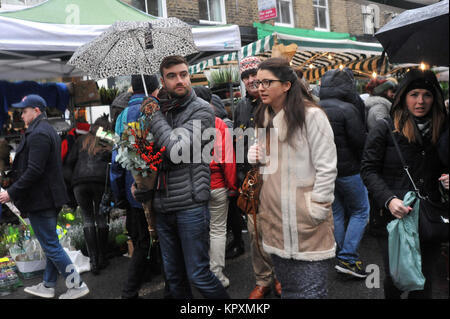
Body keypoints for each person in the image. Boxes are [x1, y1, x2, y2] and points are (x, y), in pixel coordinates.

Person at [135, 55, 229, 299]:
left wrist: (153, 116)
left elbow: (176, 149)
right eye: (172, 76)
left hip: (190, 205)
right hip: (163, 204)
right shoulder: (163, 110)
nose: (180, 80)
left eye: (184, 74)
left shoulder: (201, 110)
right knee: (174, 277)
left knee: (198, 274)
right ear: (162, 81)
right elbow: (152, 154)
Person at [248, 58, 337, 299]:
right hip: (275, 219)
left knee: (311, 293)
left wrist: (318, 206)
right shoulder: (262, 118)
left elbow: (327, 166)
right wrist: (254, 154)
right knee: (289, 290)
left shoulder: (312, 116)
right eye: (258, 82)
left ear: (287, 85)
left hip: (307, 220)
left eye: (267, 82)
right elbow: (268, 166)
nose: (261, 87)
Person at [361, 69, 449, 299]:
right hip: (393, 217)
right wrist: (389, 200)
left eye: (427, 95)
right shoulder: (385, 127)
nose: (421, 101)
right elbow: (368, 170)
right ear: (403, 97)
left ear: (435, 98)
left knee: (424, 278)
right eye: (414, 94)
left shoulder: (443, 131)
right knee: (396, 278)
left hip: (428, 216)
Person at [0, 94, 89, 299]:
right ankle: (48, 285)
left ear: (37, 111)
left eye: (24, 111)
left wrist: (10, 193)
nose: (21, 115)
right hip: (48, 197)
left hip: (42, 199)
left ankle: (77, 285)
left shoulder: (39, 133)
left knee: (50, 245)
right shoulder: (44, 130)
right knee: (52, 244)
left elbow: (34, 170)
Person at [232, 56, 281, 299]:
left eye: (254, 74)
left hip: (277, 180)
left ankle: (281, 275)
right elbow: (235, 142)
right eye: (246, 76)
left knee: (278, 230)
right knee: (254, 234)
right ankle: (263, 280)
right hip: (251, 182)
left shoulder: (276, 102)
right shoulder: (240, 107)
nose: (251, 80)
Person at [110, 74, 162, 299]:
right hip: (156, 186)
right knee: (157, 238)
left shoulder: (121, 115)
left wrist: (118, 192)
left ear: (132, 88)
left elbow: (116, 158)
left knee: (142, 237)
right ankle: (129, 291)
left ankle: (149, 275)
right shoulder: (154, 108)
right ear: (155, 89)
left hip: (132, 188)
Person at [319, 68, 370, 278]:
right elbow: (360, 142)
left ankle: (340, 254)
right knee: (361, 211)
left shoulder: (316, 107)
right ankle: (348, 257)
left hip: (326, 172)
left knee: (337, 213)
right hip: (349, 170)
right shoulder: (348, 108)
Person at [194, 86, 237, 289]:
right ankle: (216, 273)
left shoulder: (186, 123)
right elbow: (228, 160)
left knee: (197, 230)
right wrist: (232, 186)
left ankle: (199, 273)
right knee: (218, 230)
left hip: (194, 187)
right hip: (218, 184)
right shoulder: (219, 123)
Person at [64, 116, 112, 275]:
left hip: (79, 182)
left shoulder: (81, 140)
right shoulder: (109, 140)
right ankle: (103, 257)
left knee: (87, 218)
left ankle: (93, 260)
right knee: (101, 217)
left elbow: (68, 162)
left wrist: (73, 183)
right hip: (100, 181)